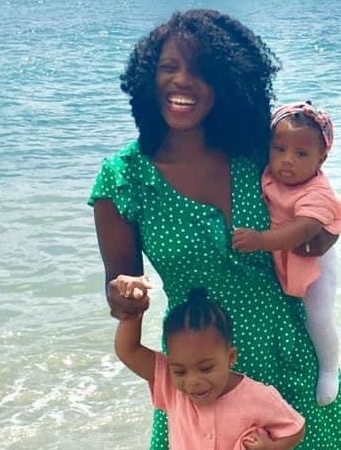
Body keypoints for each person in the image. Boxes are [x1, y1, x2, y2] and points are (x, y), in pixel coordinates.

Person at [88, 8, 341, 450]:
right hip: (198, 377)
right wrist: (124, 296)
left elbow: (319, 206)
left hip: (290, 357)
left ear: (227, 81)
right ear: (147, 78)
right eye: (169, 67)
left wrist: (323, 234)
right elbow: (120, 287)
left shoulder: (259, 153)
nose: (182, 80)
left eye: (202, 70)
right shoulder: (123, 179)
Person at [232, 101, 341, 407]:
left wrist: (260, 240)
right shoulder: (270, 171)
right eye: (279, 149)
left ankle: (330, 369)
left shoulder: (317, 191)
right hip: (284, 255)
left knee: (318, 316)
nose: (287, 160)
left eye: (301, 154)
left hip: (315, 263)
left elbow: (303, 230)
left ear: (321, 158)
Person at [114, 280, 305, 450]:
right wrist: (133, 311)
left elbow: (295, 429)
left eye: (205, 368)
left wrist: (272, 447)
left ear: (231, 357)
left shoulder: (258, 396)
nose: (193, 381)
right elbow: (128, 350)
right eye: (180, 371)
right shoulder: (170, 385)